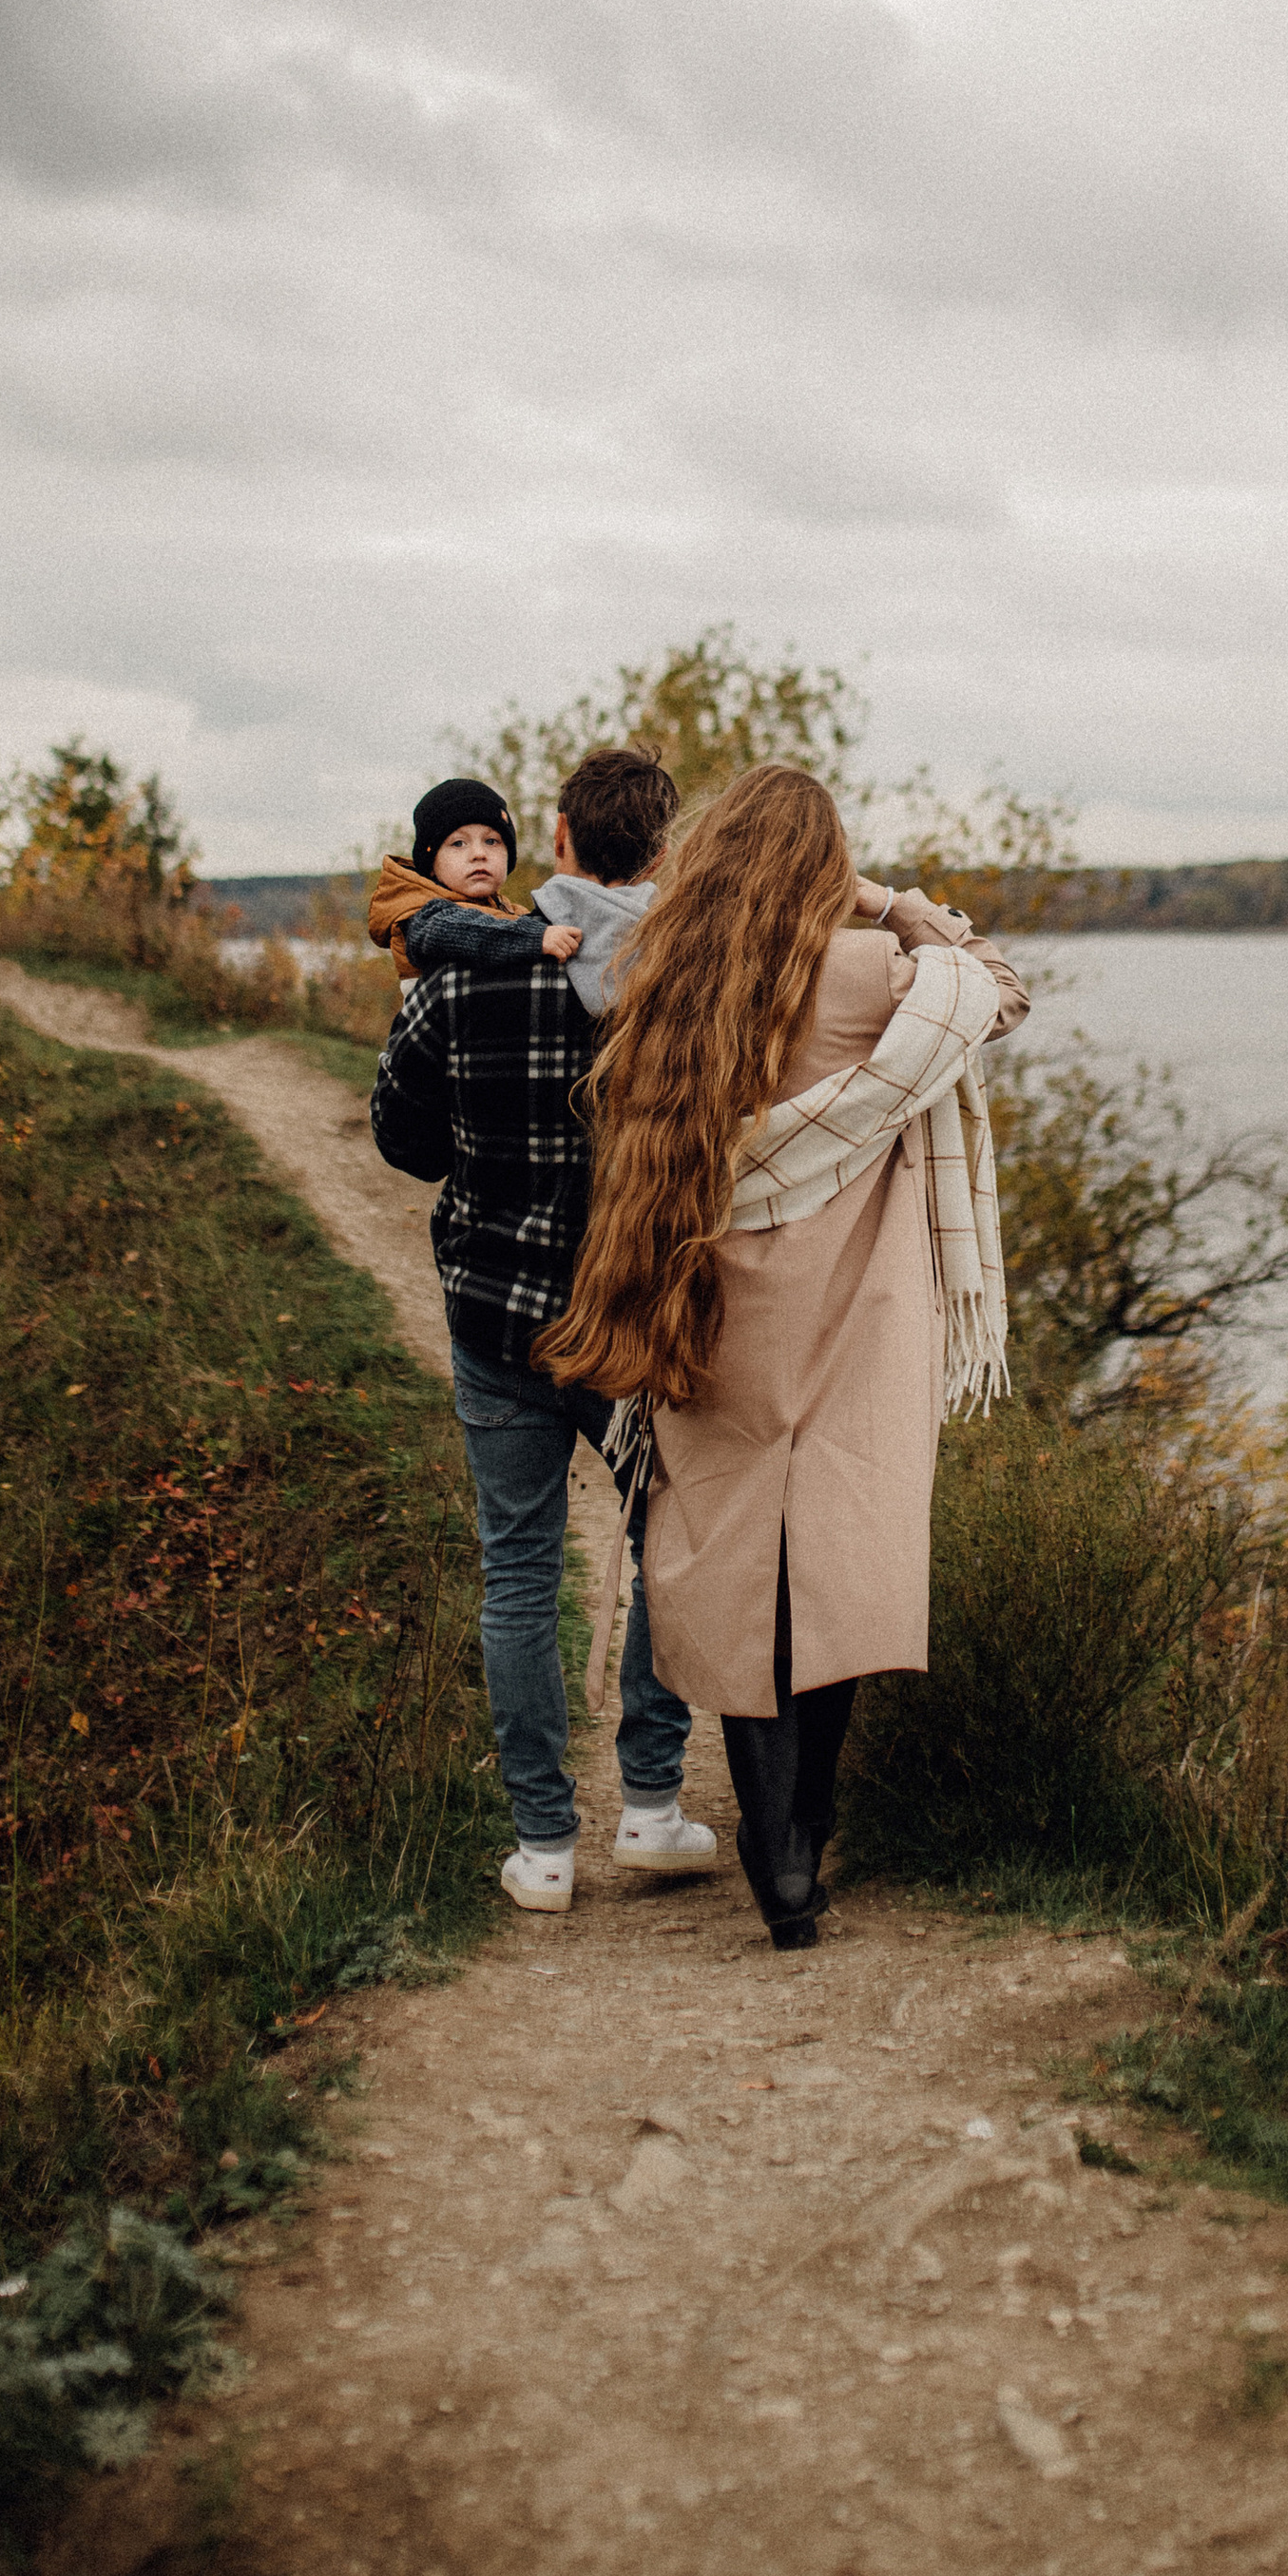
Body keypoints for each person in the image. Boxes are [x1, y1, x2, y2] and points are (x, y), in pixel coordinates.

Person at [535, 763, 1028, 1950]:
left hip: (709, 1305)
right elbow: (995, 993)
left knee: (743, 1553)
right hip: (853, 1318)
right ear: (822, 866)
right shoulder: (863, 971)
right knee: (842, 1559)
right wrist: (892, 901)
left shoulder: (665, 975)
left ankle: (768, 1837)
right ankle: (803, 1833)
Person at [370, 742, 710, 1913]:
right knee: (668, 1546)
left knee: (516, 1570)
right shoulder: (683, 977)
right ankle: (654, 1807)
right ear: (662, 852)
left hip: (498, 1314)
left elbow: (401, 1140)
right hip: (633, 1319)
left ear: (554, 840)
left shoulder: (454, 973)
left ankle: (545, 1848)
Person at [363, 777, 581, 986]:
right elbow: (461, 933)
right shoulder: (423, 915)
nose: (479, 853)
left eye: (491, 841)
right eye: (458, 844)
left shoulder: (509, 910)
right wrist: (536, 938)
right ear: (431, 864)